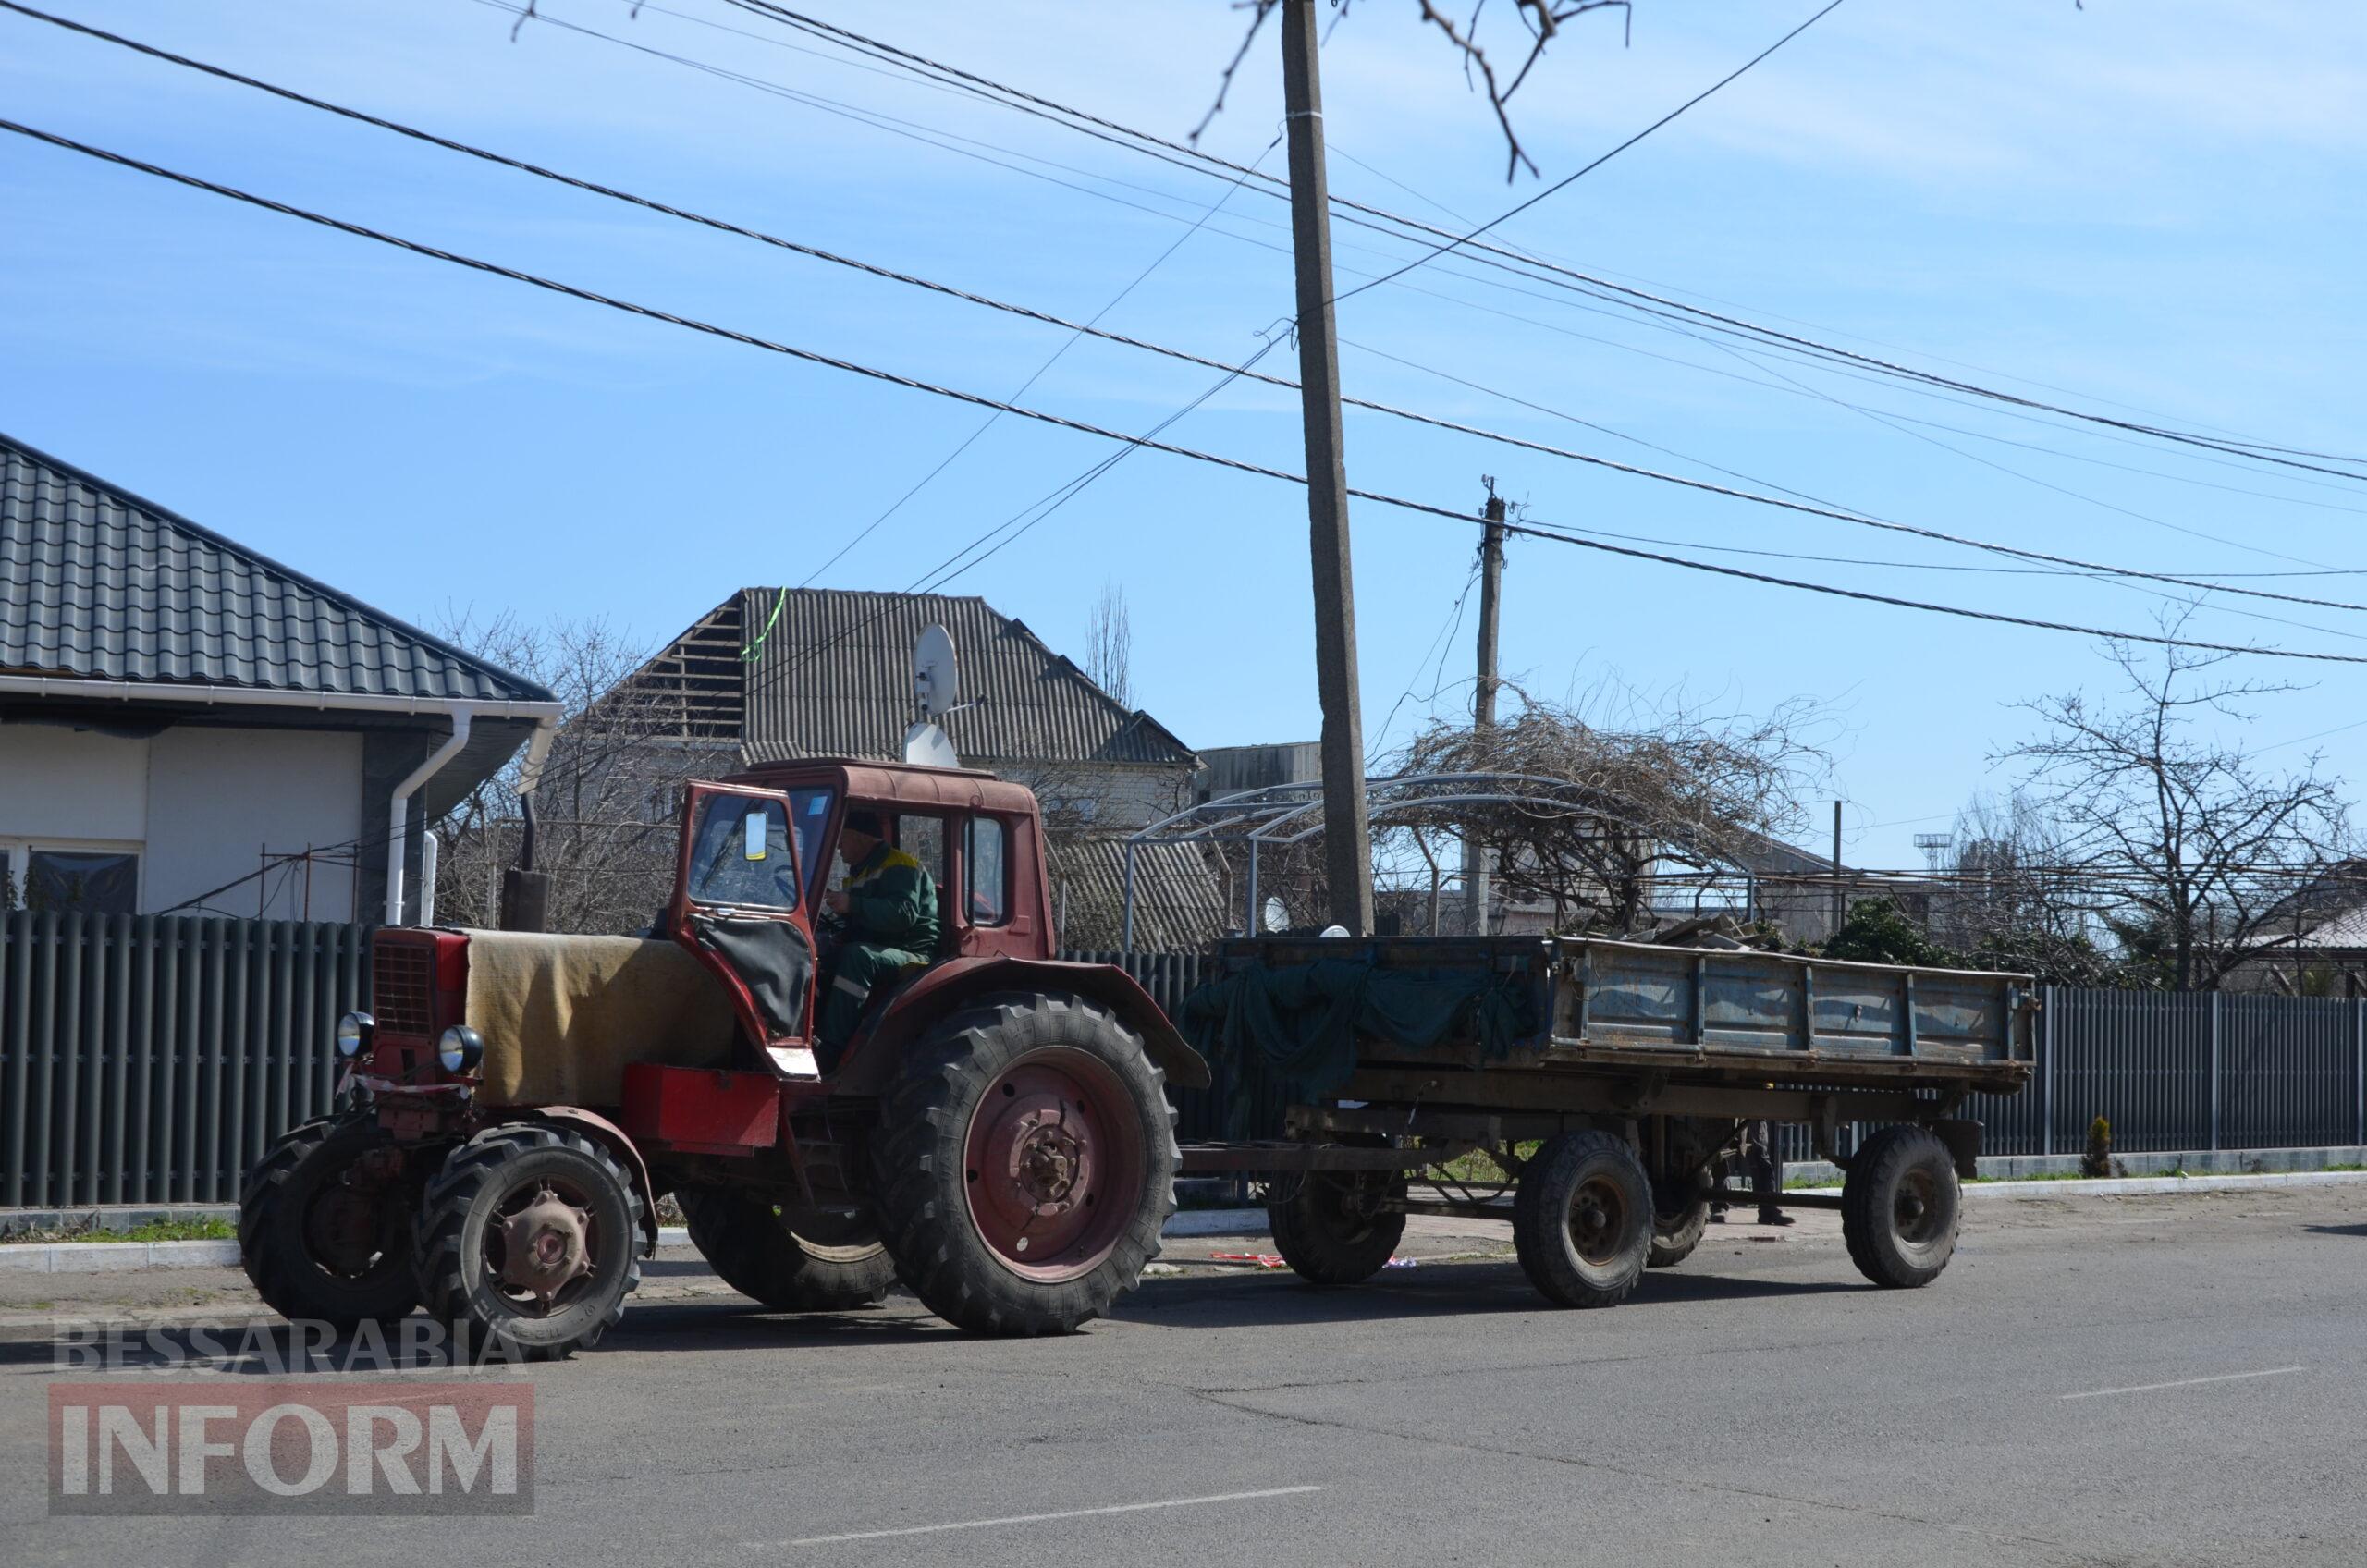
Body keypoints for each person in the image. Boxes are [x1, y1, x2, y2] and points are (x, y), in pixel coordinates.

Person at [816, 809, 939, 1047]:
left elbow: (903, 915)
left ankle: (832, 1045)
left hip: (912, 952)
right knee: (821, 954)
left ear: (861, 837)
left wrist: (852, 904)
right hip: (882, 943)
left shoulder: (900, 865)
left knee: (858, 956)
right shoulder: (861, 871)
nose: (838, 847)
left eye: (842, 839)